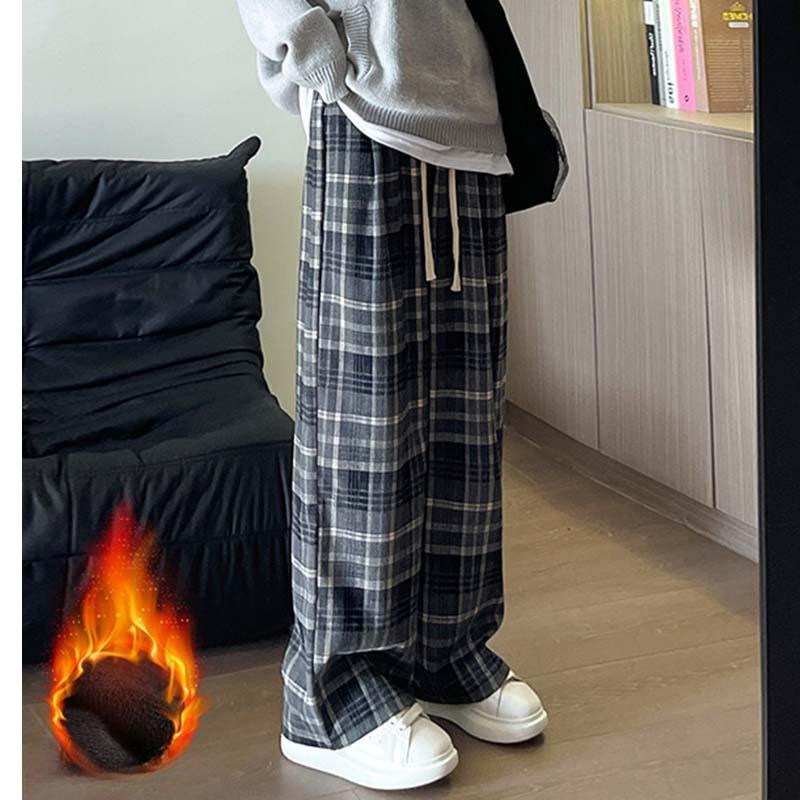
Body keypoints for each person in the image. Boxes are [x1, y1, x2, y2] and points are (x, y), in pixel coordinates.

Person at [236, 0, 548, 790]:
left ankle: (447, 651)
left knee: (465, 411)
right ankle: (332, 694)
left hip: (470, 111)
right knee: (364, 417)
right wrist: (311, 47)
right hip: (365, 105)